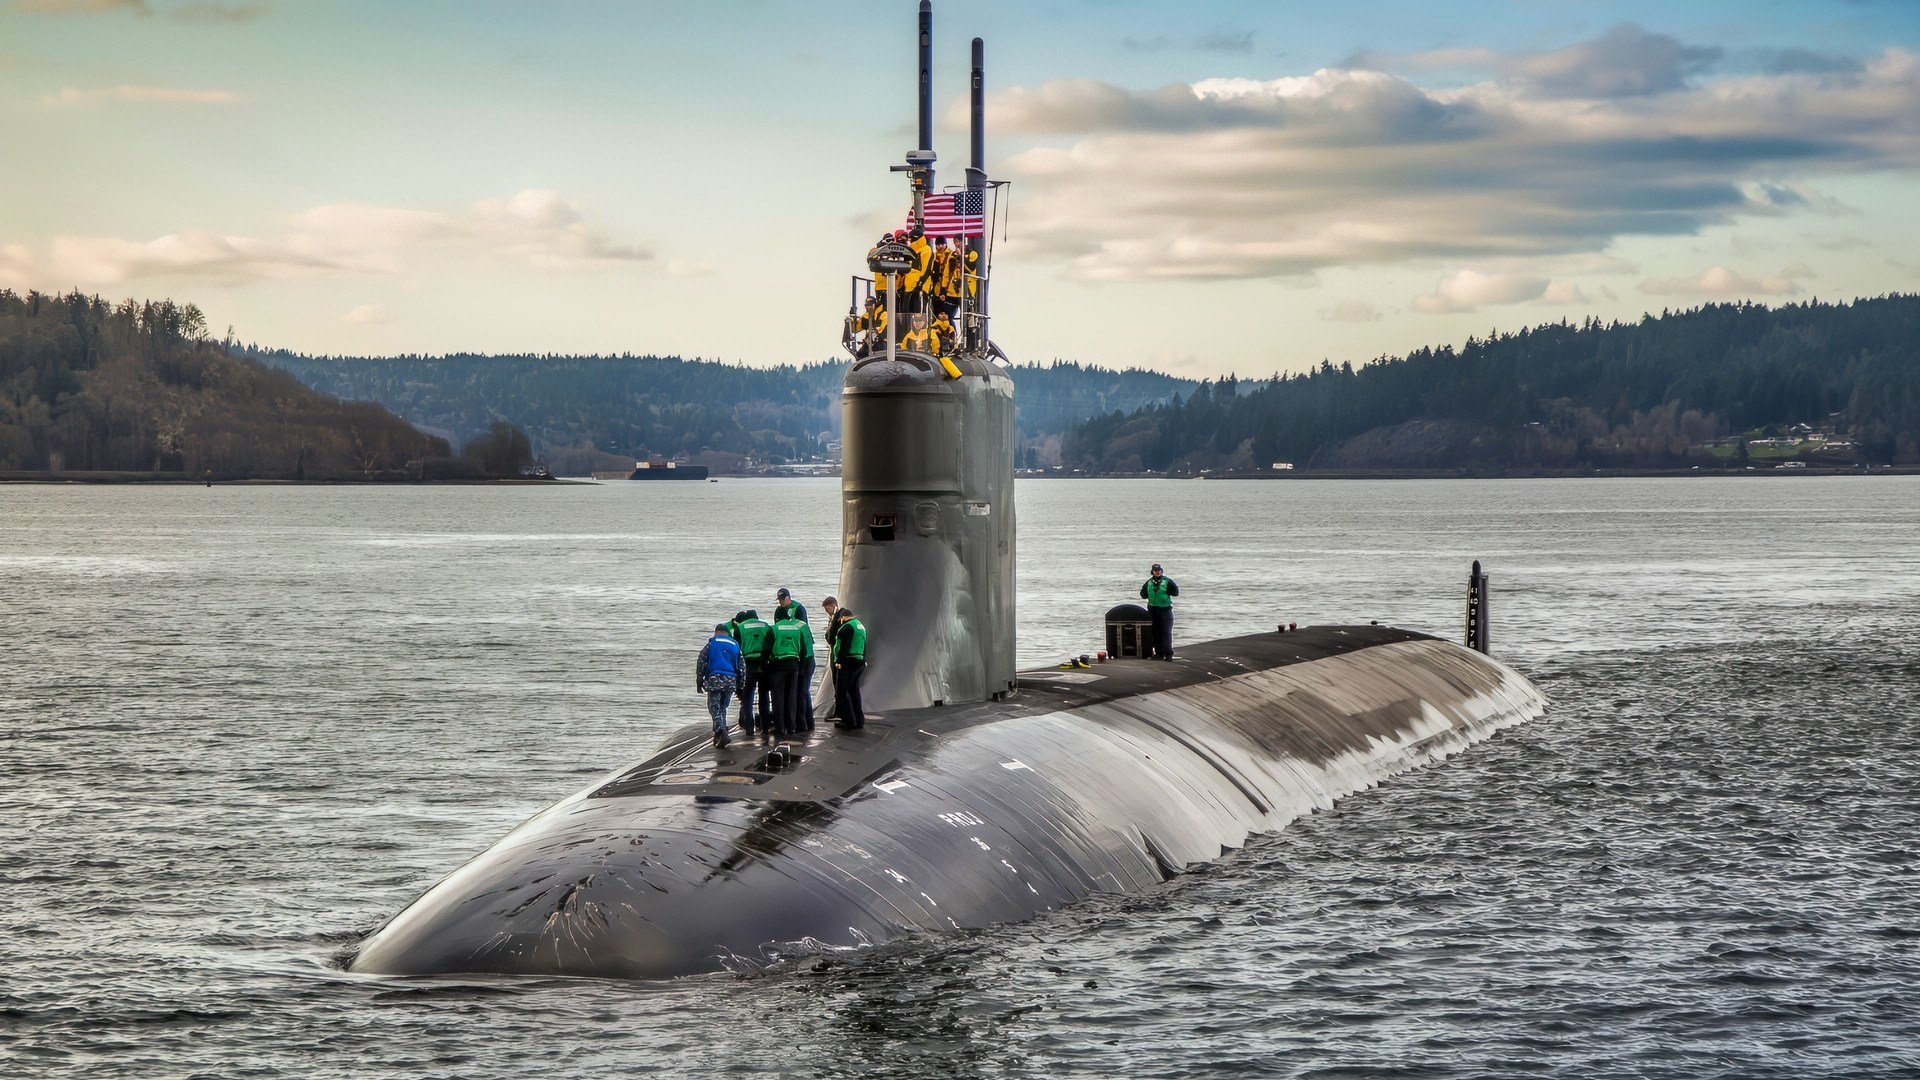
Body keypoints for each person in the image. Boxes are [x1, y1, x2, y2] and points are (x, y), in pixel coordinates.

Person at [762, 605, 813, 741]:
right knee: (791, 697)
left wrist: (765, 667)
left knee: (778, 698)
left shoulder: (774, 629)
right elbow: (804, 650)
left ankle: (780, 727)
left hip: (778, 666)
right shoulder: (797, 628)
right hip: (794, 665)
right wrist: (801, 667)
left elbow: (766, 650)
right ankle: (791, 727)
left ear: (777, 617)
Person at [696, 623, 743, 747]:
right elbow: (741, 666)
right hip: (730, 680)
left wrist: (699, 680)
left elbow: (702, 661)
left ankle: (720, 731)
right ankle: (722, 730)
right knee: (723, 706)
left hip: (715, 679)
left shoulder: (712, 644)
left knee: (714, 707)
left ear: (716, 632)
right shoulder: (735, 645)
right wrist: (741, 685)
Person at [775, 587, 816, 730]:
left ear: (788, 598)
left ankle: (806, 723)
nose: (781, 602)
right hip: (795, 656)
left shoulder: (799, 609)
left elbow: (802, 637)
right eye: (779, 600)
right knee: (795, 691)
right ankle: (796, 722)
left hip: (804, 657)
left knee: (803, 690)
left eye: (783, 599)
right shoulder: (779, 611)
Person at [728, 608, 771, 737]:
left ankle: (749, 727)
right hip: (764, 664)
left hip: (748, 664)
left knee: (748, 697)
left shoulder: (740, 628)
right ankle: (765, 726)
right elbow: (770, 645)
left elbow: (736, 649)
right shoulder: (766, 626)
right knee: (764, 695)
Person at [830, 604, 868, 729]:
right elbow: (864, 644)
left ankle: (848, 720)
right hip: (859, 661)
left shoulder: (847, 627)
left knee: (842, 691)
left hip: (847, 662)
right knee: (854, 691)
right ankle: (859, 720)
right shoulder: (860, 626)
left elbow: (843, 646)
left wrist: (839, 661)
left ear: (843, 617)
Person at [1139, 562, 1180, 660]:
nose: (1157, 572)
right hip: (1153, 610)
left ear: (1161, 571)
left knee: (1166, 632)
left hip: (1165, 610)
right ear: (1152, 572)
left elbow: (1175, 592)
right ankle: (1159, 653)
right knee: (1155, 633)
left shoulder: (1167, 581)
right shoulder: (1149, 583)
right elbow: (1143, 595)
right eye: (1155, 571)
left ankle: (1168, 654)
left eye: (1159, 570)